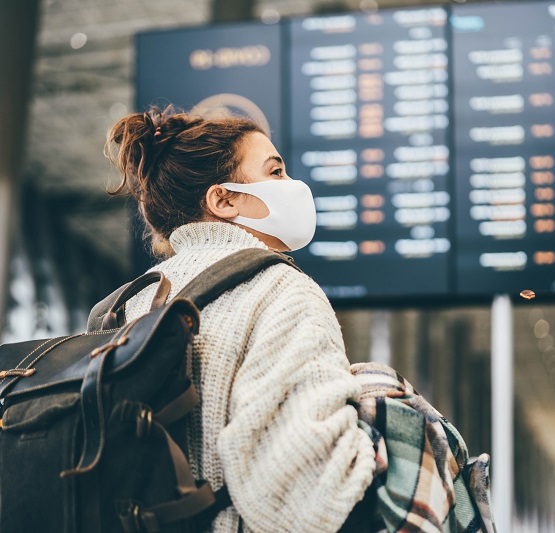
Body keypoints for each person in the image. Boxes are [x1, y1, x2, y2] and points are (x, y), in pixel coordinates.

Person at [105, 105, 377, 533]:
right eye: (276, 172)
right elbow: (301, 498)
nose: (293, 185)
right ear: (223, 199)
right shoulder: (279, 290)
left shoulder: (124, 307)